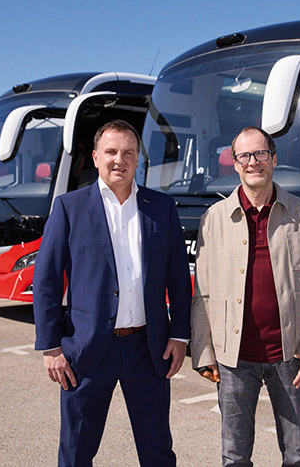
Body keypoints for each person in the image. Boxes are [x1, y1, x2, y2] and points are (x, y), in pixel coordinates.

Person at [33, 119, 191, 467]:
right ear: (95, 157)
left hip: (147, 349)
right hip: (87, 351)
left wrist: (179, 335)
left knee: (157, 452)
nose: (120, 160)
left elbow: (179, 276)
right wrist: (51, 347)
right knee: (76, 452)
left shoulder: (161, 207)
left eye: (128, 153)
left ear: (138, 159)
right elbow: (46, 280)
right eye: (111, 152)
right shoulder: (69, 207)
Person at [191, 126, 300, 466]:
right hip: (233, 359)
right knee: (234, 457)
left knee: (298, 456)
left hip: (290, 356)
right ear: (235, 163)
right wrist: (203, 351)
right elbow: (202, 291)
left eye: (261, 154)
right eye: (244, 156)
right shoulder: (213, 219)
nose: (253, 162)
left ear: (274, 159)